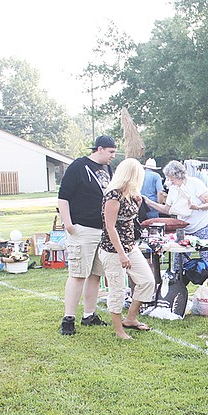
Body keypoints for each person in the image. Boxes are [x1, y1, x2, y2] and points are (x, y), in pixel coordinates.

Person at [57, 135, 117, 335]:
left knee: (95, 274)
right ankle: (68, 319)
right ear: (99, 149)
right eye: (110, 152)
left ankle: (89, 315)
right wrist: (69, 224)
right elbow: (63, 197)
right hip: (82, 228)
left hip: (102, 230)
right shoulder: (79, 167)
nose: (112, 156)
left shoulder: (107, 170)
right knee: (78, 274)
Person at [99, 158, 156, 339]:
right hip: (113, 249)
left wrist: (137, 204)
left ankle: (131, 318)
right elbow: (110, 227)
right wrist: (122, 254)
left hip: (130, 245)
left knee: (147, 280)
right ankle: (119, 331)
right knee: (117, 289)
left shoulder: (130, 194)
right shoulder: (113, 196)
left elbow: (130, 219)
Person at [143, 160, 208, 273]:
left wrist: (197, 207)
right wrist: (149, 202)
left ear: (178, 175)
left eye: (171, 178)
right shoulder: (173, 189)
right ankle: (178, 286)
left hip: (202, 226)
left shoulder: (195, 183)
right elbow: (167, 209)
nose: (170, 180)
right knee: (178, 262)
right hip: (184, 229)